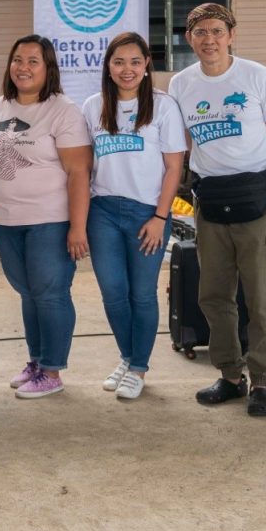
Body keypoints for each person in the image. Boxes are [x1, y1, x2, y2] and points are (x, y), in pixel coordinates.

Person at [168, 3, 266, 417]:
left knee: (261, 296)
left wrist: (247, 174)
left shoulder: (258, 77)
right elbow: (185, 142)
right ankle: (230, 375)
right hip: (210, 200)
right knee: (214, 294)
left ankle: (264, 382)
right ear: (189, 38)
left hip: (258, 196)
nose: (209, 40)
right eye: (200, 32)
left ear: (231, 34)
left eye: (217, 31)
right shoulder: (182, 84)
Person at [0, 35, 92, 398]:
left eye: (33, 61)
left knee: (50, 294)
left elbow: (79, 172)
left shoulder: (63, 110)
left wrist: (78, 227)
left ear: (48, 68)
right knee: (28, 294)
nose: (23, 67)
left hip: (50, 218)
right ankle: (37, 360)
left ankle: (52, 370)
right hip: (5, 219)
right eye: (18, 59)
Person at [82, 32, 186, 400]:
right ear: (108, 67)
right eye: (119, 62)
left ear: (146, 66)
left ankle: (139, 366)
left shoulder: (164, 106)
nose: (127, 69)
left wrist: (160, 217)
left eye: (135, 62)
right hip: (103, 212)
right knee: (113, 293)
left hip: (147, 213)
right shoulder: (92, 107)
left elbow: (174, 167)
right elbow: (82, 168)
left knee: (142, 294)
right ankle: (127, 358)